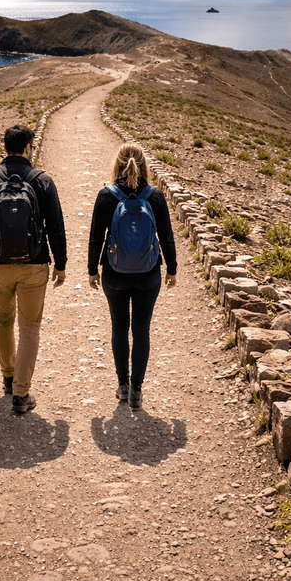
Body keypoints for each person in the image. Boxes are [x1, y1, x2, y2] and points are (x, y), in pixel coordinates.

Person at [0, 124, 67, 414]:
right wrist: (60, 264)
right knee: (30, 328)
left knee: (3, 321)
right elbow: (56, 227)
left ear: (6, 148)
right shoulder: (42, 180)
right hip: (34, 265)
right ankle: (21, 395)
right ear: (28, 148)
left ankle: (8, 378)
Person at [88, 143, 177, 409]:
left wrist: (93, 269)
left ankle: (123, 386)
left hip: (114, 272)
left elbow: (96, 238)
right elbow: (167, 237)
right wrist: (171, 268)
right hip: (148, 274)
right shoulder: (156, 196)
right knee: (141, 329)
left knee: (119, 326)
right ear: (145, 165)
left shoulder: (106, 195)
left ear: (117, 163)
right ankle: (138, 390)